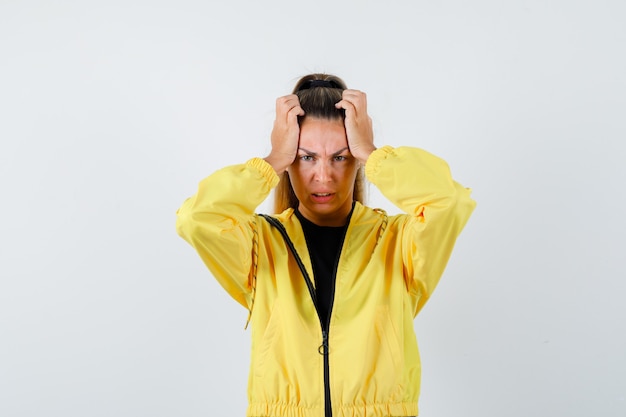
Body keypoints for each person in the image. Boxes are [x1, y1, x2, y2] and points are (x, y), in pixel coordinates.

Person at [175, 73, 476, 417]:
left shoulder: (397, 243)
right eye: (306, 157)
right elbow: (195, 219)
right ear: (290, 161)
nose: (324, 176)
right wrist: (272, 161)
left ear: (357, 163)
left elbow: (450, 203)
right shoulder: (260, 245)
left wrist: (373, 153)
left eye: (340, 157)